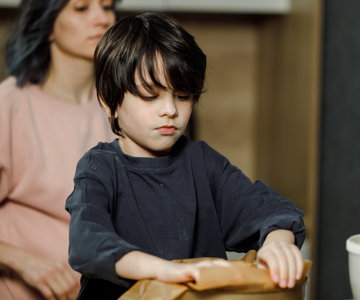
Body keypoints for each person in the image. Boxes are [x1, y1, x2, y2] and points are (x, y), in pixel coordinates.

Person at [65, 12, 306, 299]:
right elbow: (86, 242)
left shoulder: (202, 162)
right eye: (150, 95)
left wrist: (278, 242)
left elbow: (271, 211)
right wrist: (161, 270)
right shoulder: (100, 167)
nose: (170, 109)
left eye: (182, 96)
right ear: (109, 101)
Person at [0, 0, 117, 299]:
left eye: (107, 6)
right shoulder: (11, 105)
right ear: (48, 24)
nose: (101, 19)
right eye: (81, 8)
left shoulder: (123, 108)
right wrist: (26, 262)